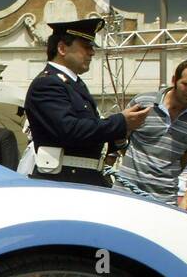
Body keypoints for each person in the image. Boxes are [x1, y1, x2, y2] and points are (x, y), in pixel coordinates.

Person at [24, 18, 150, 187]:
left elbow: (88, 137)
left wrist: (122, 132)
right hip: (64, 182)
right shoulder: (47, 84)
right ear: (62, 48)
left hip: (83, 180)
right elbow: (69, 130)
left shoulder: (73, 84)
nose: (92, 52)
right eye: (86, 46)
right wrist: (120, 122)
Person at [111, 59, 187, 206]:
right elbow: (120, 136)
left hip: (164, 198)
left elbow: (185, 158)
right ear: (174, 80)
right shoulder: (143, 102)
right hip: (126, 191)